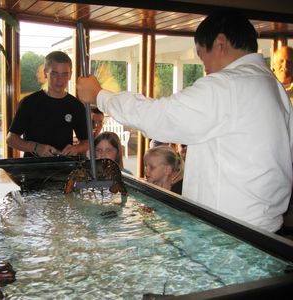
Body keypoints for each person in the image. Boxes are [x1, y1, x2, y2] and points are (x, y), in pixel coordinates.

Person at [77, 10, 293, 233]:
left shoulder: (227, 85)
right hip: (266, 234)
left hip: (226, 237)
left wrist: (99, 96)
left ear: (220, 43)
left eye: (202, 56)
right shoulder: (275, 88)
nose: (205, 67)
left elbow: (159, 116)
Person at [7, 51, 89, 157]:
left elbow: (87, 142)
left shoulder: (76, 106)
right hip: (32, 170)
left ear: (70, 75)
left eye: (64, 74)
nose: (60, 80)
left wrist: (76, 148)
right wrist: (36, 147)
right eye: (54, 73)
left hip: (64, 169)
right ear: (45, 72)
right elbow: (11, 139)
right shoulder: (29, 103)